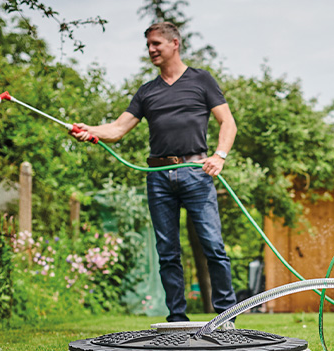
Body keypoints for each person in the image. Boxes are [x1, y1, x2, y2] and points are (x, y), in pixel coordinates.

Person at [70, 22, 238, 323]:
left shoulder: (201, 81)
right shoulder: (147, 92)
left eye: (156, 43)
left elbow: (228, 122)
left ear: (175, 43)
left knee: (213, 245)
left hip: (195, 172)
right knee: (168, 251)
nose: (151, 50)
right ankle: (177, 317)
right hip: (159, 176)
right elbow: (118, 128)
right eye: (148, 44)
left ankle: (226, 317)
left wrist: (219, 156)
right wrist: (88, 130)